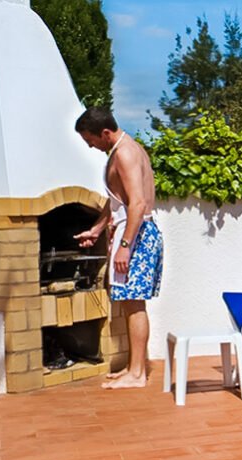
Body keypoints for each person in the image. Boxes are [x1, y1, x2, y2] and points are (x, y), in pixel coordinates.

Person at [73, 107, 164, 390]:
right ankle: (133, 367)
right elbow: (118, 201)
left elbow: (137, 204)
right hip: (134, 233)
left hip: (136, 235)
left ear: (105, 133)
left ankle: (137, 374)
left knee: (135, 303)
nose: (90, 145)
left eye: (90, 139)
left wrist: (125, 245)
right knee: (130, 302)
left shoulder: (124, 153)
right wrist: (97, 230)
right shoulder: (126, 149)